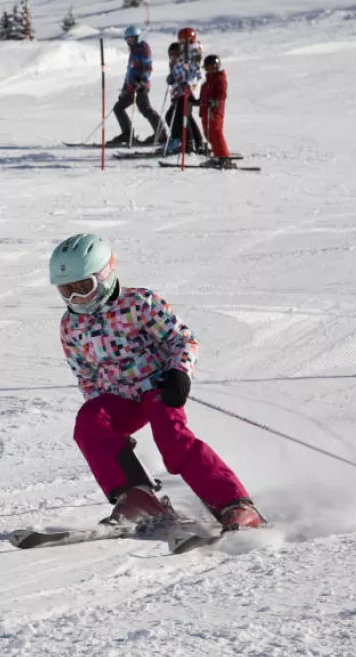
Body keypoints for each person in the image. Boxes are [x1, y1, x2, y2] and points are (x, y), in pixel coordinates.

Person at [48, 233, 264, 532]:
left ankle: (235, 505)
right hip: (119, 399)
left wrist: (179, 373)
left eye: (83, 287)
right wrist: (106, 422)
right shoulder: (71, 324)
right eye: (66, 291)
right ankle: (138, 498)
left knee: (173, 442)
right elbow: (85, 373)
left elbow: (182, 340)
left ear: (105, 274)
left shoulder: (140, 303)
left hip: (159, 390)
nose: (76, 298)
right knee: (89, 423)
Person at [108, 26, 165, 147]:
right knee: (119, 108)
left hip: (140, 87)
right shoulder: (133, 51)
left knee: (145, 109)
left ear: (139, 38)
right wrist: (124, 88)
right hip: (131, 87)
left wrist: (142, 81)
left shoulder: (143, 48)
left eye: (133, 39)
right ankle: (127, 134)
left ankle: (161, 134)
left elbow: (147, 67)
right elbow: (130, 71)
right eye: (128, 40)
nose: (131, 42)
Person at [165, 27, 206, 155]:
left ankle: (188, 143)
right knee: (183, 115)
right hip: (181, 89)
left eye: (184, 40)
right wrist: (173, 78)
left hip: (188, 89)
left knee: (182, 115)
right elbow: (179, 70)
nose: (182, 42)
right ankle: (197, 142)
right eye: (181, 40)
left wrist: (187, 83)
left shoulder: (194, 52)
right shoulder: (183, 54)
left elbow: (196, 72)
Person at [198, 55, 234, 169]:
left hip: (215, 111)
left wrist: (215, 102)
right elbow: (203, 97)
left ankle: (224, 157)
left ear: (217, 66)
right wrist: (193, 101)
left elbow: (222, 94)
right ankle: (217, 155)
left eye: (212, 67)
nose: (209, 70)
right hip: (205, 111)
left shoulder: (219, 78)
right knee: (208, 134)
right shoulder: (206, 83)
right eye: (207, 68)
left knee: (216, 132)